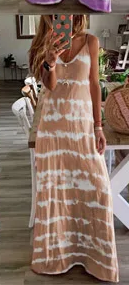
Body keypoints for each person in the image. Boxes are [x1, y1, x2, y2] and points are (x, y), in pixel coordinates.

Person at [29, 16, 118, 281]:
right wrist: (50, 61)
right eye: (57, 13)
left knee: (99, 190)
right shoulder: (40, 44)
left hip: (82, 128)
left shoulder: (90, 41)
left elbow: (94, 84)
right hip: (53, 132)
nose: (63, 17)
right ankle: (57, 257)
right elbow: (50, 85)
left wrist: (98, 127)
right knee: (56, 194)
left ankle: (96, 258)